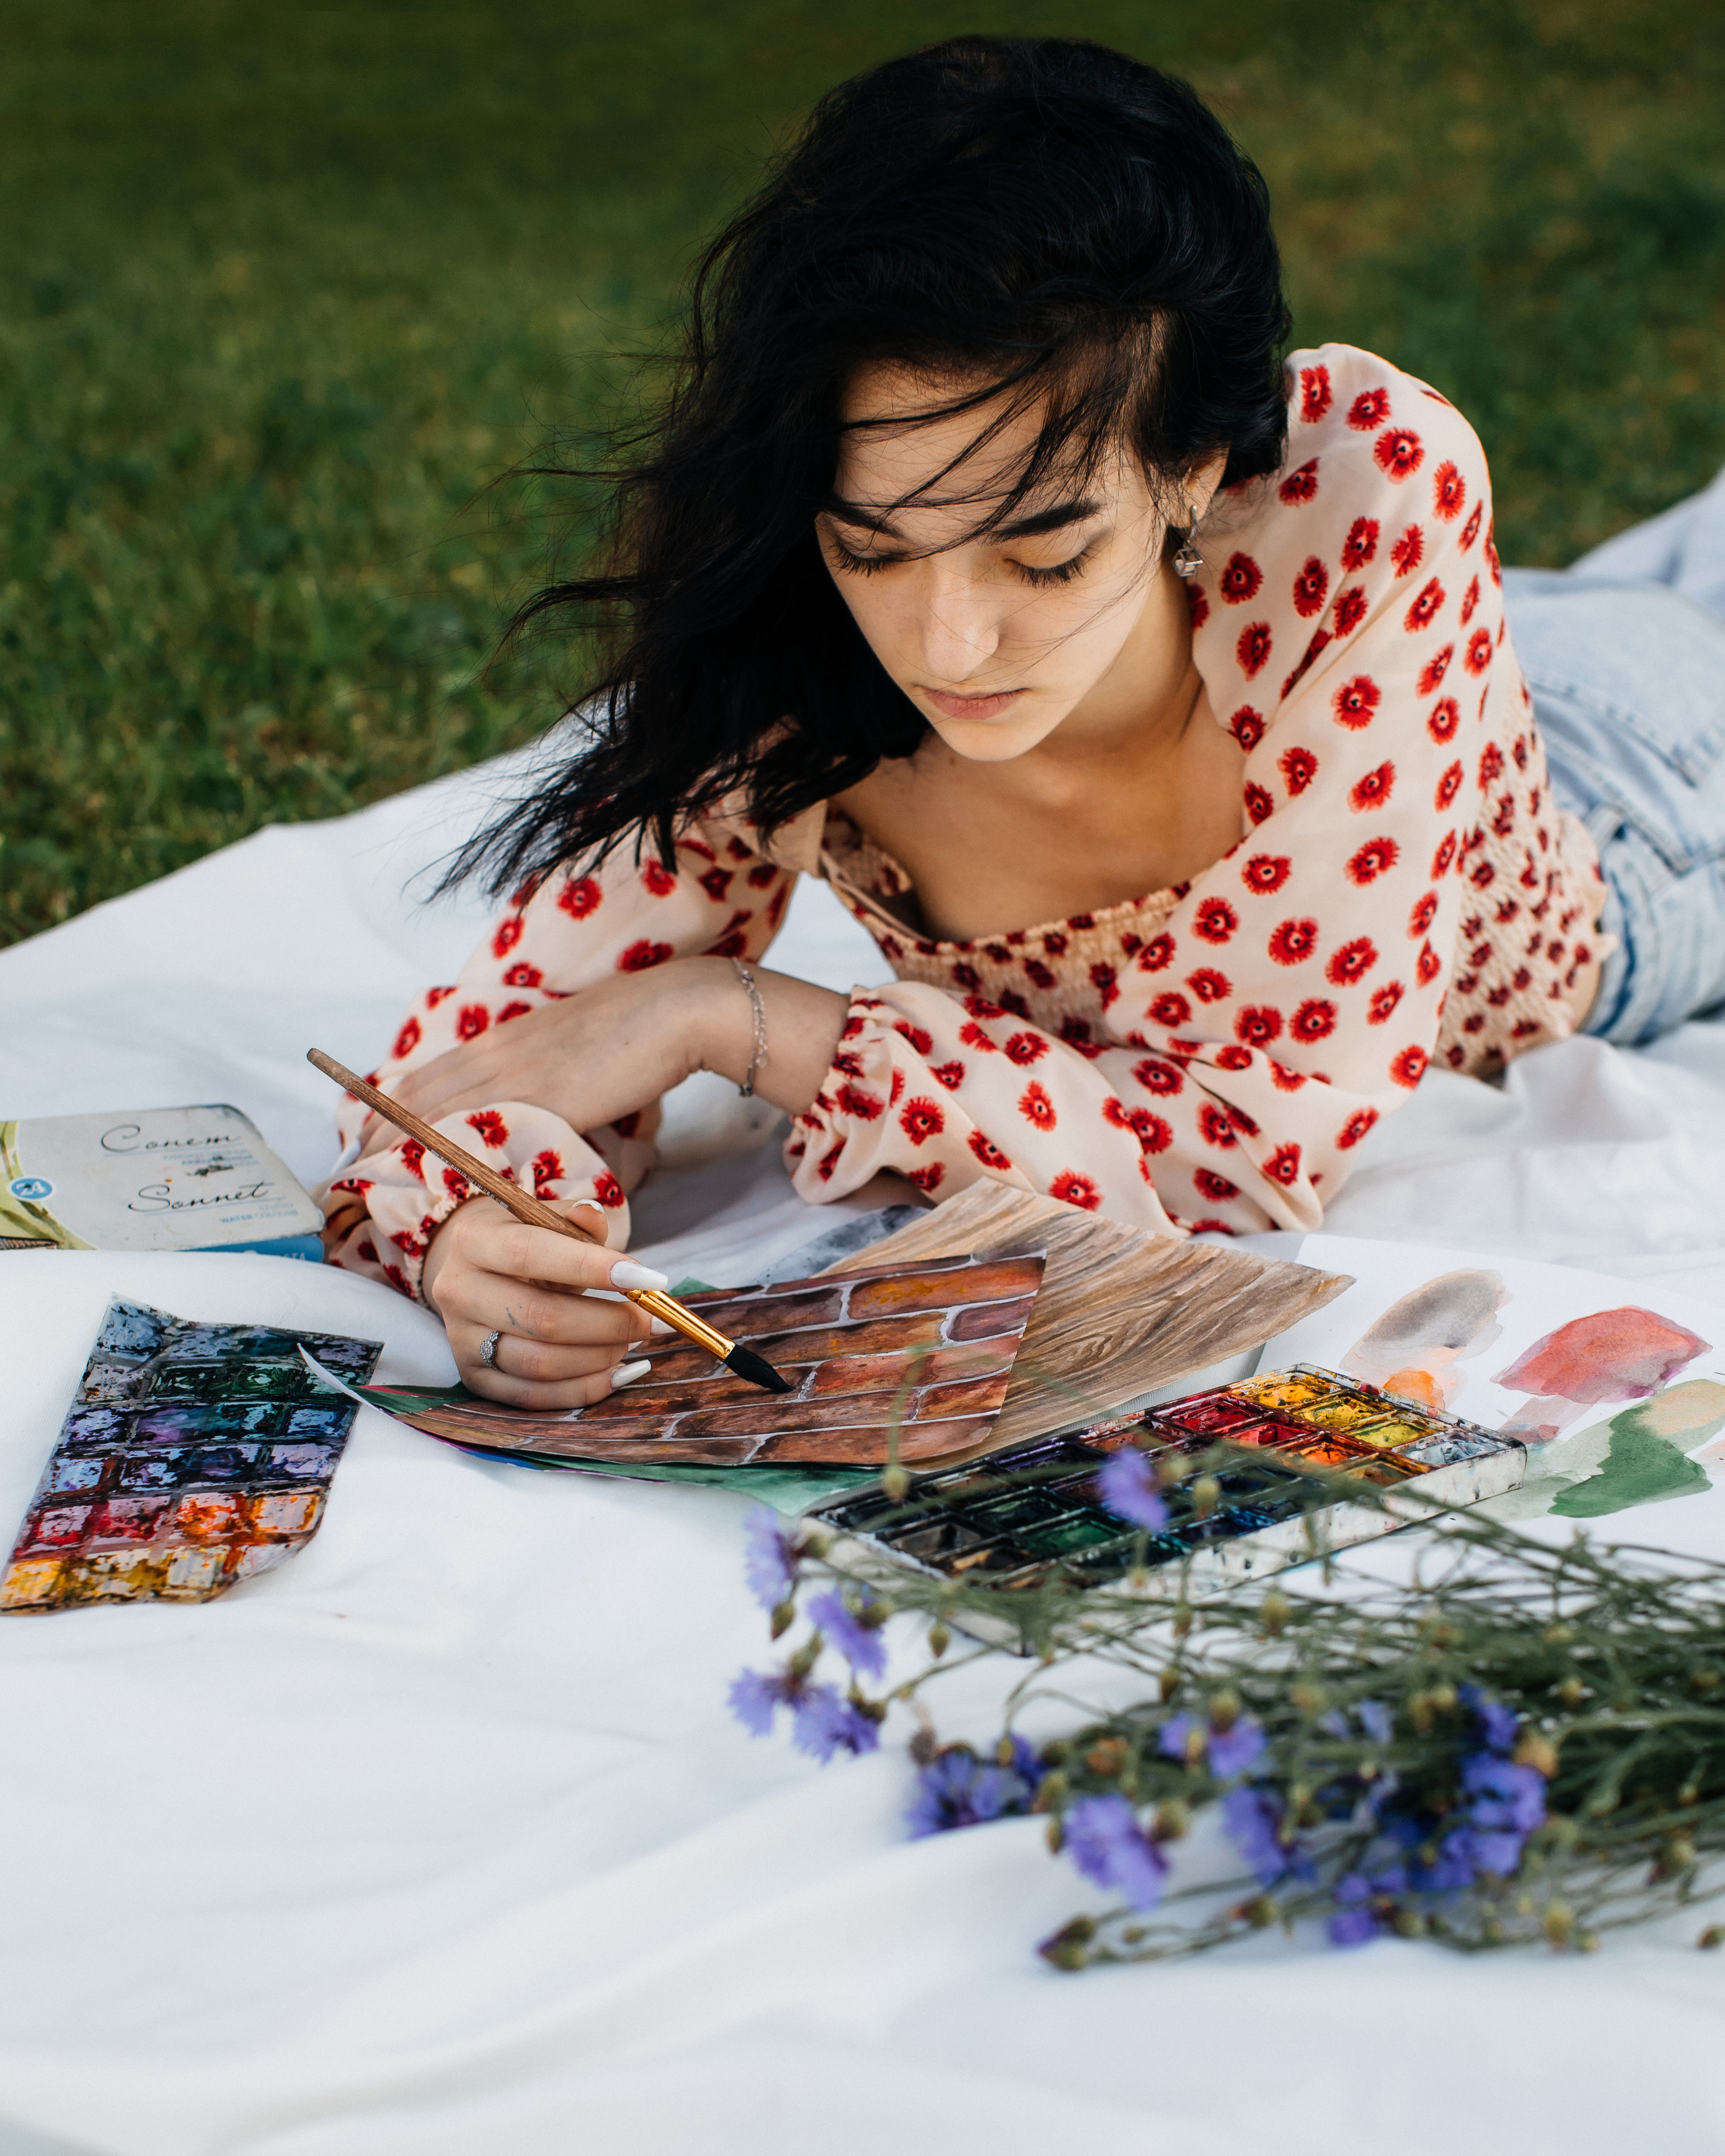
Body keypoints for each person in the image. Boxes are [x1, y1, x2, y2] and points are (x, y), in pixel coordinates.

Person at [313, 36, 1725, 1414]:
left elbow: (1237, 1162)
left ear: (1198, 470)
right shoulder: (782, 646)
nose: (947, 645)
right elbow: (478, 1073)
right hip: (1426, 679)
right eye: (875, 547)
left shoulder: (1359, 497)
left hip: (1643, 813)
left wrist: (726, 1014)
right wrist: (479, 1234)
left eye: (1039, 553)